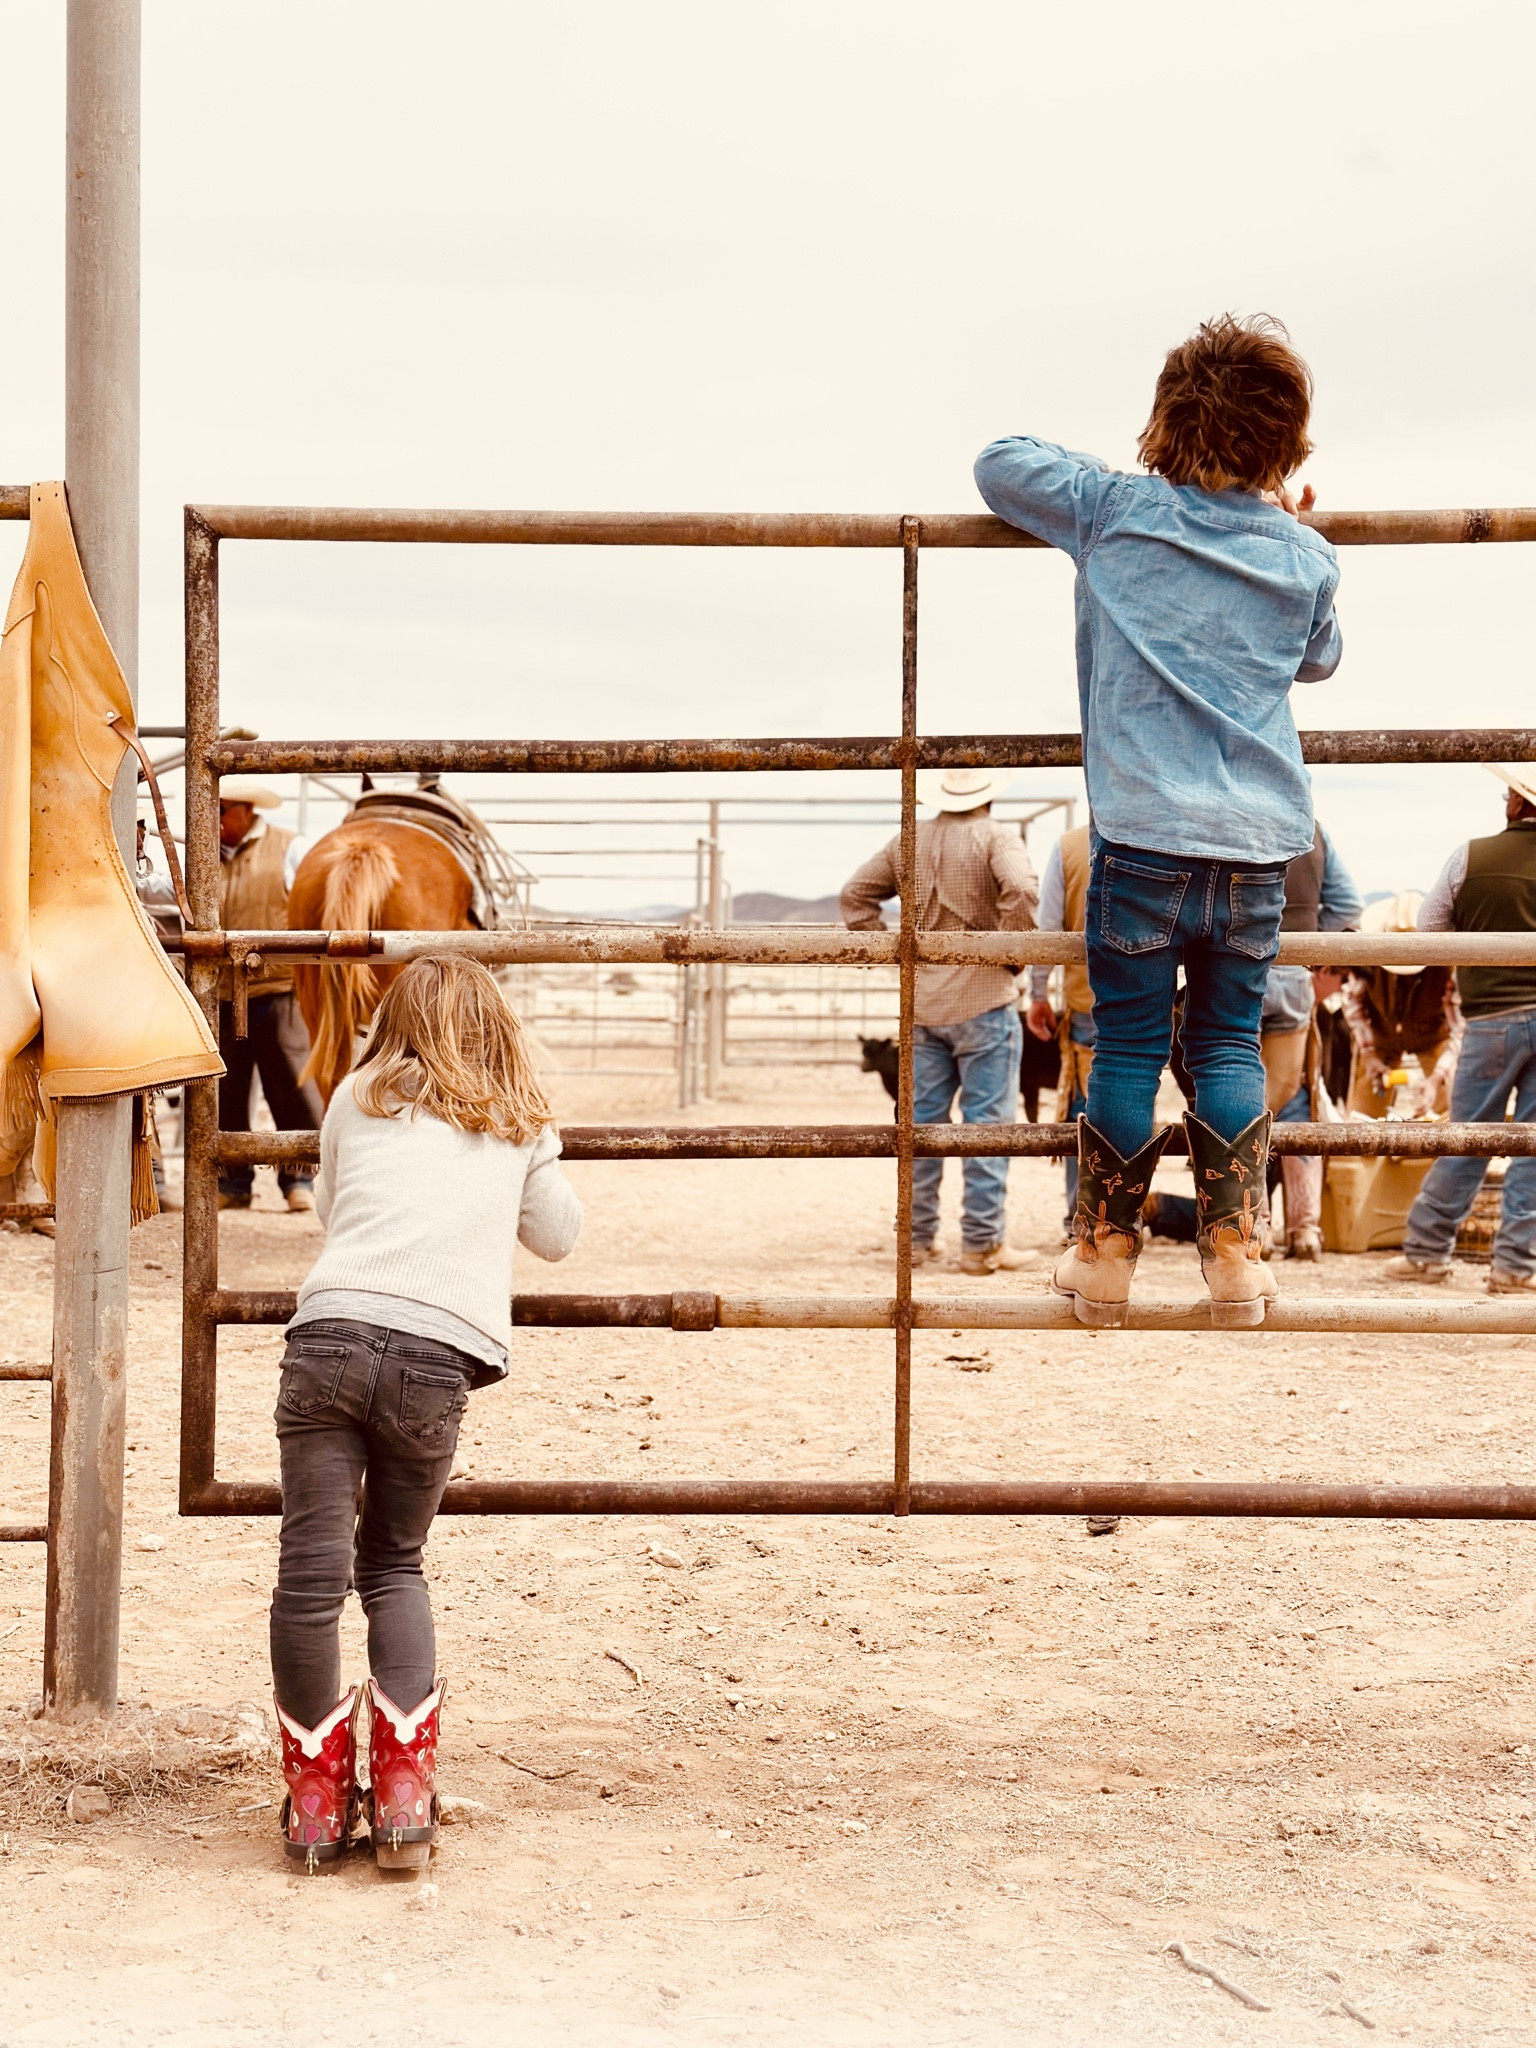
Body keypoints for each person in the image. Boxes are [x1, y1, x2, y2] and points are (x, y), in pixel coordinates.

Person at [975, 312, 1342, 1326]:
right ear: (1286, 445)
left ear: (1167, 422)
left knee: (1129, 1047)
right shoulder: (1304, 555)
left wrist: (1136, 476)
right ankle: (1235, 1256)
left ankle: (1103, 1257)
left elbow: (997, 462)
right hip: (1258, 846)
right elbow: (1319, 657)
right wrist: (1283, 518)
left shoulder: (1112, 511)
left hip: (1138, 839)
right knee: (1226, 1045)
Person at [270, 955, 583, 1872]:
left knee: (309, 1577)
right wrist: (540, 1142)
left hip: (327, 1338)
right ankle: (404, 1801)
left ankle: (318, 1808)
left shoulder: (356, 1096)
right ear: (498, 1027)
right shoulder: (515, 1116)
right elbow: (559, 1238)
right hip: (434, 1358)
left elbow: (332, 1210)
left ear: (392, 1019)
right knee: (394, 1564)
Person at [841, 766, 1039, 1273]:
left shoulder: (909, 840)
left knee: (920, 1126)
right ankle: (981, 1244)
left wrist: (893, 954)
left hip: (924, 1002)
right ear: (989, 797)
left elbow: (855, 895)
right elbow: (1020, 888)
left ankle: (915, 1240)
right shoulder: (996, 836)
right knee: (988, 1126)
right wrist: (1012, 953)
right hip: (985, 998)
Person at [1386, 767, 1536, 1292]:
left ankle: (1428, 1251)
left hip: (1491, 1016)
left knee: (1467, 1135)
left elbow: (1429, 931)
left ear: (1517, 805)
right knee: (1534, 1145)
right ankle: (1516, 1266)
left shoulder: (1470, 855)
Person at [217, 781, 319, 1212]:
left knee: (291, 1084)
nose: (216, 821)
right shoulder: (202, 856)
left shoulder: (291, 848)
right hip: (221, 989)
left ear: (246, 811)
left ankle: (300, 1180)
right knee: (224, 1088)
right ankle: (232, 1181)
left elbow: (314, 905)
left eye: (223, 811)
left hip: (278, 985)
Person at [1025, 822, 1094, 1235]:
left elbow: (1049, 926)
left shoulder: (1070, 846)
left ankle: (1080, 1217)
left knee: (1083, 1107)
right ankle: (1126, 1211)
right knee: (1135, 1099)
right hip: (1146, 1001)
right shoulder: (1162, 835)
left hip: (1085, 999)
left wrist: (1038, 992)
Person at [1341, 893, 1461, 1116]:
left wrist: (1437, 1078)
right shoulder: (1368, 963)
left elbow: (1459, 1030)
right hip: (1381, 1037)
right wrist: (1369, 1056)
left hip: (1433, 1036)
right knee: (1363, 1114)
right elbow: (1354, 1006)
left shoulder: (1446, 969)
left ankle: (1440, 1147)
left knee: (1445, 1112)